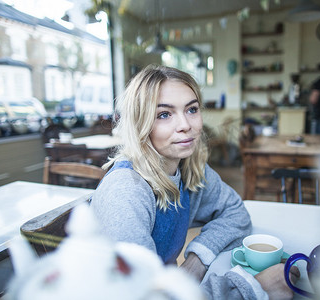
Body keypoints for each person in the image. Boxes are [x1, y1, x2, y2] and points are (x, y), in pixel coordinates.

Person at [90, 65, 298, 299]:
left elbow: (236, 213)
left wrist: (196, 262)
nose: (186, 125)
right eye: (164, 114)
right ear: (140, 123)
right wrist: (252, 287)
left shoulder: (188, 168)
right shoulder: (126, 190)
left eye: (192, 109)